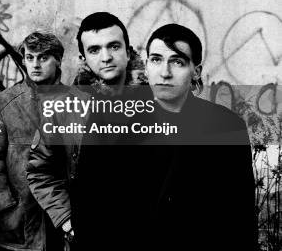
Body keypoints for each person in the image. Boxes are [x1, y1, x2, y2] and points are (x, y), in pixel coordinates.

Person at [27, 12, 151, 250]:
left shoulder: (156, 104)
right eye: (94, 50)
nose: (106, 57)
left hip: (146, 236)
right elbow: (39, 170)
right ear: (84, 57)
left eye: (114, 46)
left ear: (128, 50)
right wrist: (66, 221)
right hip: (88, 238)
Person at [143, 23, 256, 251]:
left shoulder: (226, 127)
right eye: (155, 59)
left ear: (196, 70)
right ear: (146, 67)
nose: (164, 72)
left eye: (177, 62)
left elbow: (240, 215)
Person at [0, 32, 68, 251]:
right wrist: (5, 205)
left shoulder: (76, 101)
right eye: (30, 57)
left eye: (43, 57)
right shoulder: (4, 102)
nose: (35, 64)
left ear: (58, 60)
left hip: (61, 219)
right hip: (18, 220)